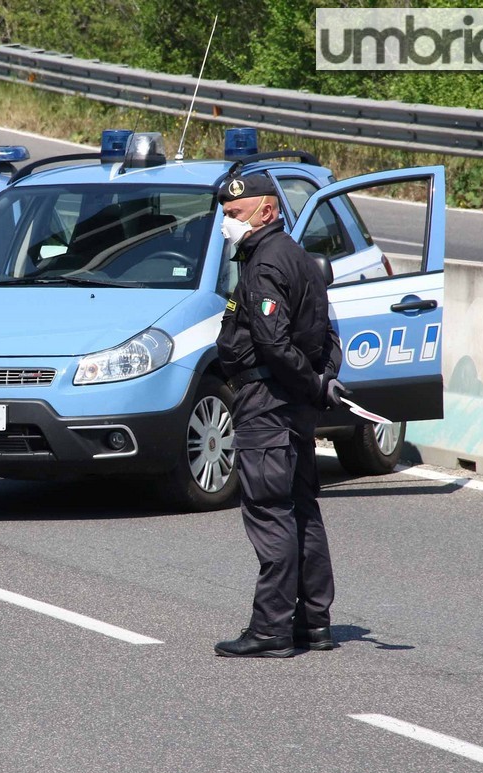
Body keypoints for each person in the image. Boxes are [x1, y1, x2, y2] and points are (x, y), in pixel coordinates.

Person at [212, 172, 349, 658]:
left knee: (271, 513)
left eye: (234, 215)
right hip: (294, 407)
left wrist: (310, 384)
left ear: (266, 212)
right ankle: (314, 624)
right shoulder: (303, 260)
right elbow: (328, 337)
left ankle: (271, 629)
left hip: (268, 405)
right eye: (225, 216)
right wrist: (319, 383)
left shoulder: (265, 263)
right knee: (301, 509)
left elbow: (273, 343)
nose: (227, 225)